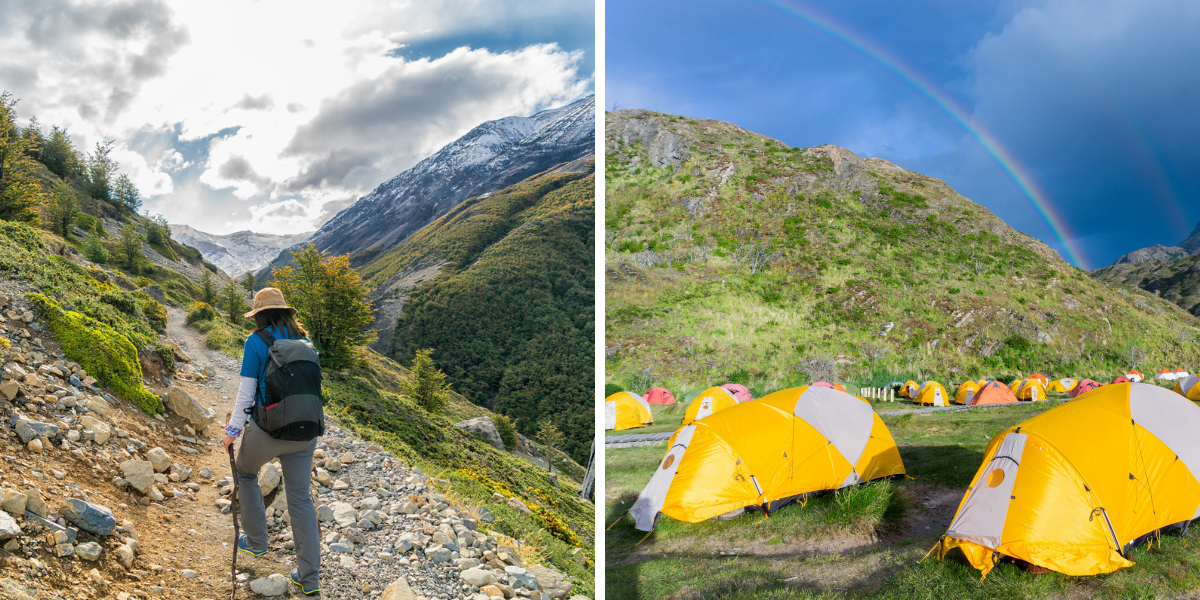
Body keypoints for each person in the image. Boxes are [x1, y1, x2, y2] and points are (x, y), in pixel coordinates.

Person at [222, 287, 321, 595]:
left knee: (245, 472)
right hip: (306, 432)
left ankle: (256, 542)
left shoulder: (255, 341)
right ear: (285, 312)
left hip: (269, 430)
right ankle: (309, 579)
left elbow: (246, 394)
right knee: (300, 499)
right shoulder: (305, 341)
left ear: (259, 315)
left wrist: (232, 432)